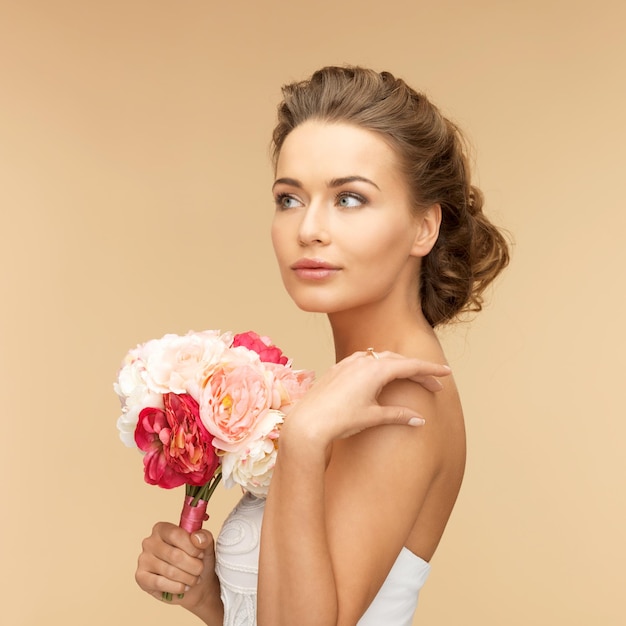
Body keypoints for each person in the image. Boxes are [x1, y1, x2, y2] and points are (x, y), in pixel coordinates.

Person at [135, 65, 510, 625]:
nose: (308, 228)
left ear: (423, 228)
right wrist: (208, 597)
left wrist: (304, 438)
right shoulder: (354, 385)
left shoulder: (403, 398)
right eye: (289, 199)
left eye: (350, 199)